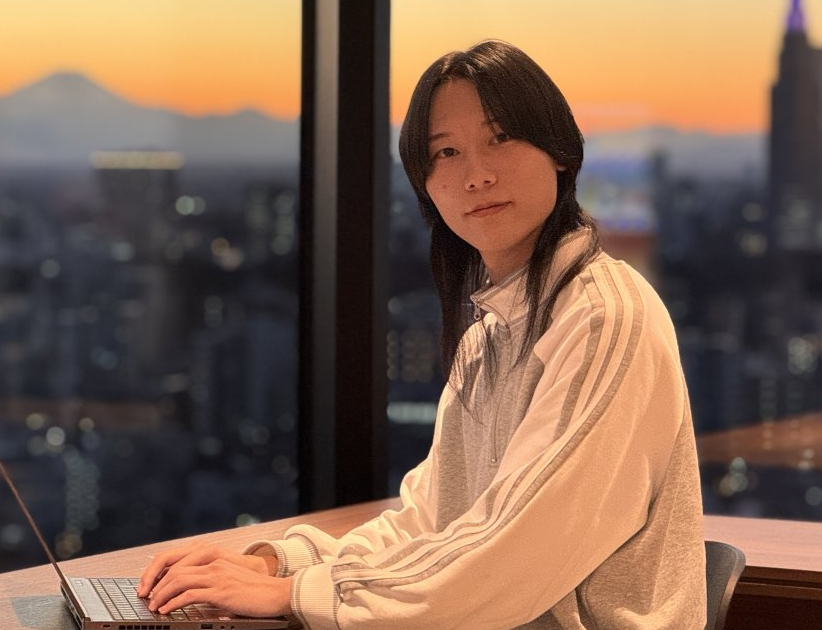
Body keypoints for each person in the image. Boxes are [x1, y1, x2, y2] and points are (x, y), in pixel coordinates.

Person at [138, 40, 706, 629]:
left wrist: (295, 594)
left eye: (500, 138)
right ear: (426, 185)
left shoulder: (602, 318)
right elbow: (428, 525)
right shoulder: (489, 336)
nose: (477, 175)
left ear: (560, 151)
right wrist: (276, 564)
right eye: (447, 152)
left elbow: (513, 555)